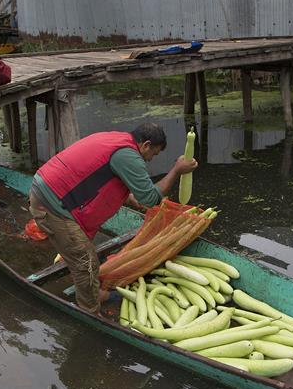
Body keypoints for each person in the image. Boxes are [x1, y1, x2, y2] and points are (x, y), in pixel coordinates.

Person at [29, 122, 198, 314]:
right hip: (52, 204)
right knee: (87, 262)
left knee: (81, 255)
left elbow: (98, 175)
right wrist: (176, 170)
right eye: (154, 154)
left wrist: (130, 198)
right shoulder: (128, 156)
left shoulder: (116, 140)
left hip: (49, 190)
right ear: (146, 145)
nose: (151, 159)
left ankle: (90, 289)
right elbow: (151, 199)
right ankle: (90, 310)